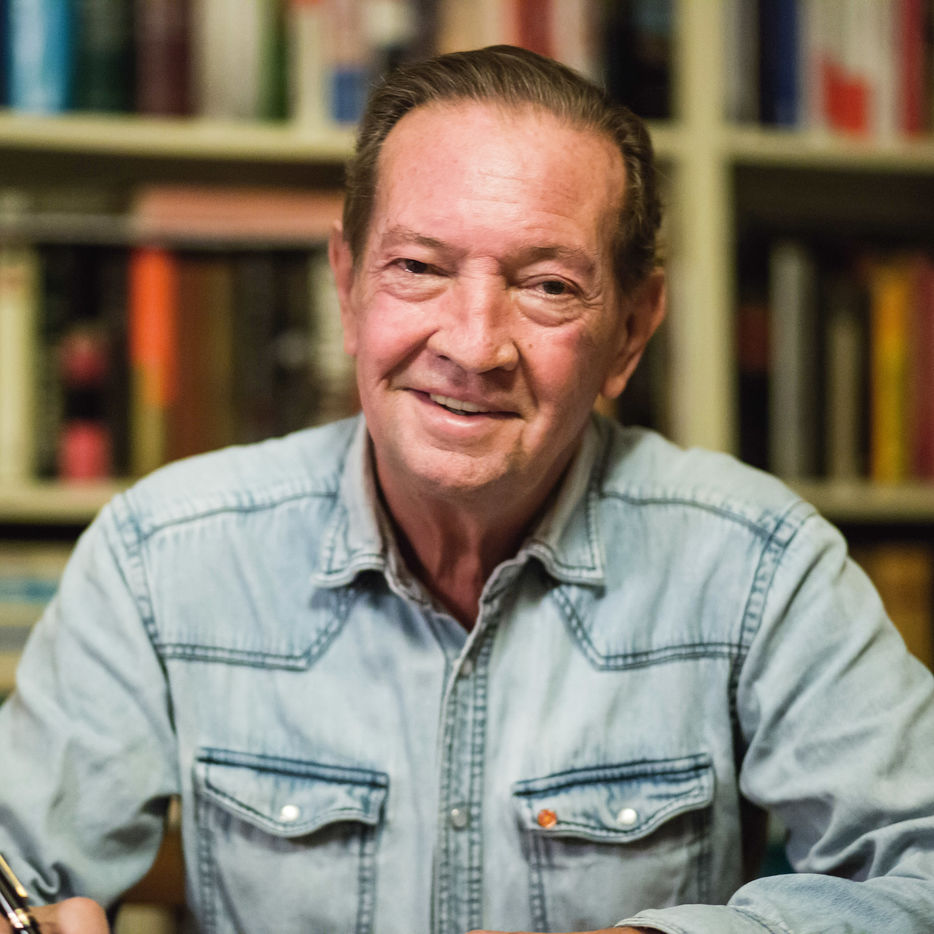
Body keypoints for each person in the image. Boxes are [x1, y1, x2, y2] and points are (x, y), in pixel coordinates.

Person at [2, 44, 934, 934]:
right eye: (418, 268)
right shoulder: (161, 556)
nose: (474, 345)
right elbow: (17, 862)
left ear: (631, 331)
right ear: (348, 287)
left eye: (549, 286)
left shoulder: (760, 565)